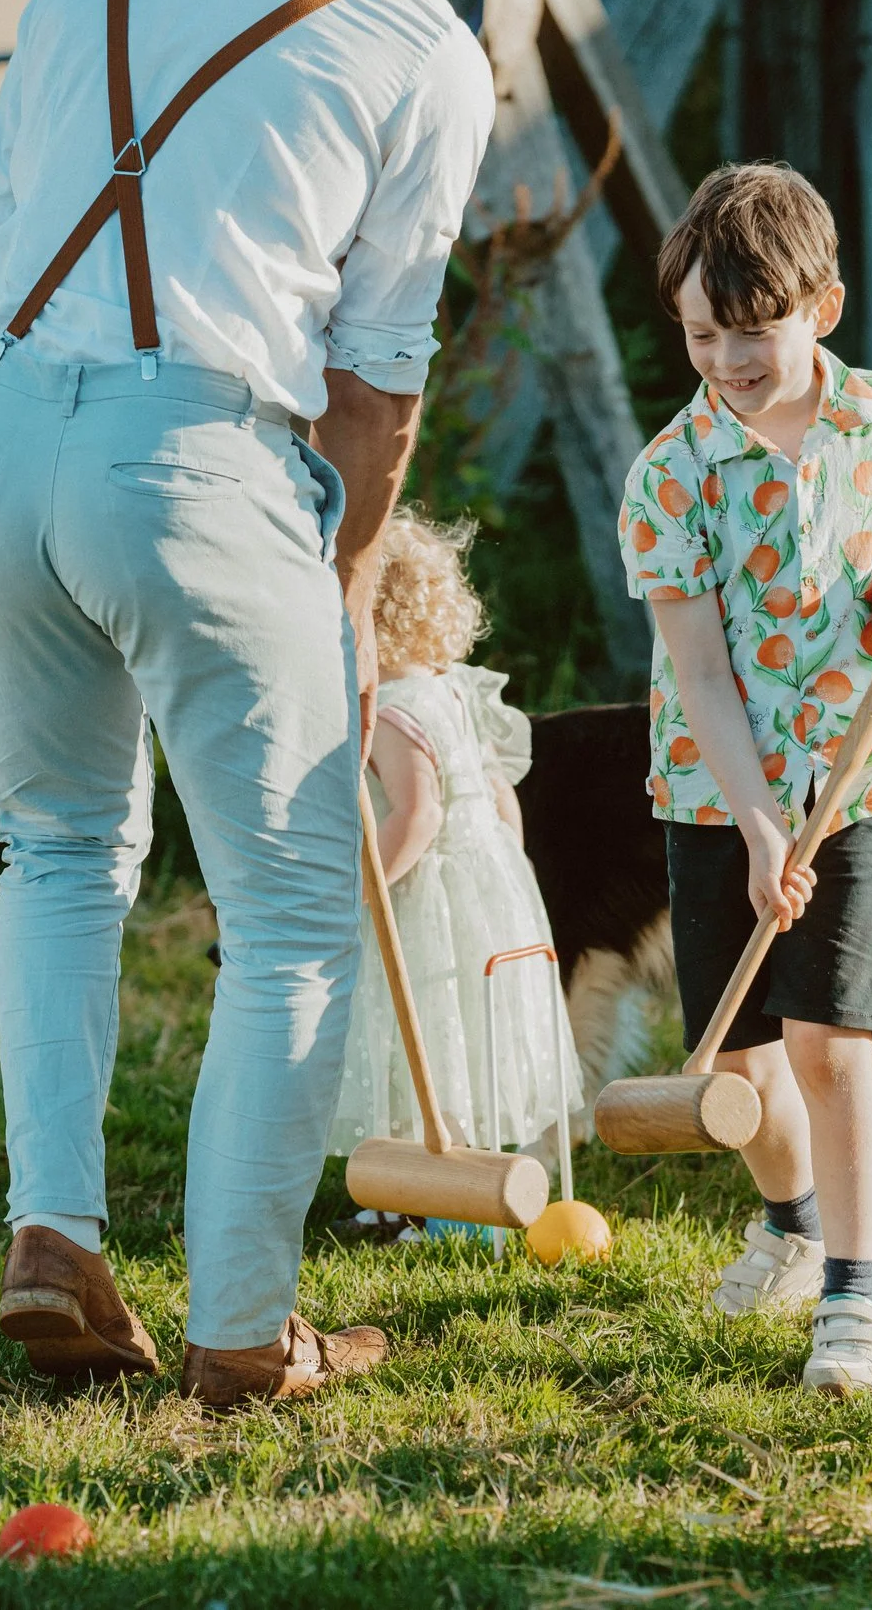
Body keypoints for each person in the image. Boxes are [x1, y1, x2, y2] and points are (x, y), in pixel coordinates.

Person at [0, 0, 490, 1406]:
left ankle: (53, 1234)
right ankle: (245, 1329)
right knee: (296, 907)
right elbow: (373, 379)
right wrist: (354, 593)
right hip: (189, 451)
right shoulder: (422, 42)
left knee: (54, 850)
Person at [615, 162, 872, 1396]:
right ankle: (793, 1219)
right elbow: (699, 676)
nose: (725, 360)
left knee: (830, 1037)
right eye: (702, 334)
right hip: (717, 789)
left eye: (749, 332)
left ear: (823, 305)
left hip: (854, 779)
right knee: (748, 1054)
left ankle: (856, 1297)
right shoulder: (671, 474)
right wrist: (758, 823)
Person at [326, 511, 584, 1223]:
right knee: (463, 1032)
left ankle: (438, 1198)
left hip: (429, 891)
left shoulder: (393, 709)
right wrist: (512, 877)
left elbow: (419, 812)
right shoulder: (452, 690)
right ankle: (424, 1184)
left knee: (427, 1029)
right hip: (490, 882)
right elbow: (501, 797)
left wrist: (368, 888)